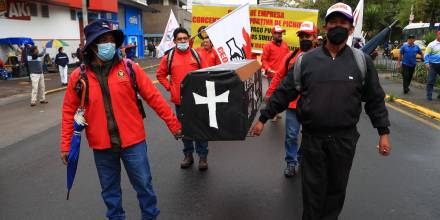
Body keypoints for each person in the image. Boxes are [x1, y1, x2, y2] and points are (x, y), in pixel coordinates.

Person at [251, 3, 391, 220]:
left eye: (343, 23)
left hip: (344, 140)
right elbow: (285, 91)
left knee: (336, 190)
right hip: (313, 139)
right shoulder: (306, 61)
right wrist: (263, 117)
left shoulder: (361, 61)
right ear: (325, 27)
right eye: (333, 22)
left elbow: (375, 99)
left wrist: (383, 132)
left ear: (351, 29)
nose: (338, 27)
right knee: (312, 190)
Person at [60, 19, 182, 220]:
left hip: (133, 142)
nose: (108, 44)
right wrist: (66, 146)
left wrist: (174, 124)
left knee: (144, 185)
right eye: (102, 39)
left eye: (111, 39)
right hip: (102, 147)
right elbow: (68, 112)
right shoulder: (78, 76)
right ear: (91, 45)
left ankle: (150, 216)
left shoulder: (129, 68)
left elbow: (154, 97)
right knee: (110, 192)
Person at [265, 21, 317, 177]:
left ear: (315, 37)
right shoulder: (291, 56)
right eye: (301, 36)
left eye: (307, 36)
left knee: (309, 137)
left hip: (313, 106)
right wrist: (270, 93)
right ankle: (291, 163)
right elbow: (279, 76)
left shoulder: (323, 57)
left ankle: (301, 158)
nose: (304, 39)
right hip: (293, 105)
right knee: (291, 135)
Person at [156, 27, 209, 171]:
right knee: (184, 130)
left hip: (198, 100)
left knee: (201, 129)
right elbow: (160, 75)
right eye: (179, 39)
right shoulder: (169, 57)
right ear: (174, 41)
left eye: (185, 38)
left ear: (189, 39)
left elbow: (206, 73)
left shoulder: (197, 55)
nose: (182, 41)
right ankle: (188, 156)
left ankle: (203, 157)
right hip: (180, 102)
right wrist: (169, 87)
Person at [261, 25, 289, 122]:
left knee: (280, 95)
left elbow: (288, 58)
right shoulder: (267, 46)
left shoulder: (285, 45)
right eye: (277, 33)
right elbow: (263, 60)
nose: (280, 35)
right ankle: (271, 113)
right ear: (273, 34)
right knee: (272, 94)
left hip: (283, 75)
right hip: (272, 75)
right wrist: (268, 68)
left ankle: (276, 112)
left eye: (281, 33)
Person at [424, 30, 440, 101]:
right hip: (433, 65)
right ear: (438, 35)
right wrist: (427, 63)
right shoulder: (431, 44)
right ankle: (429, 96)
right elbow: (426, 54)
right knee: (430, 81)